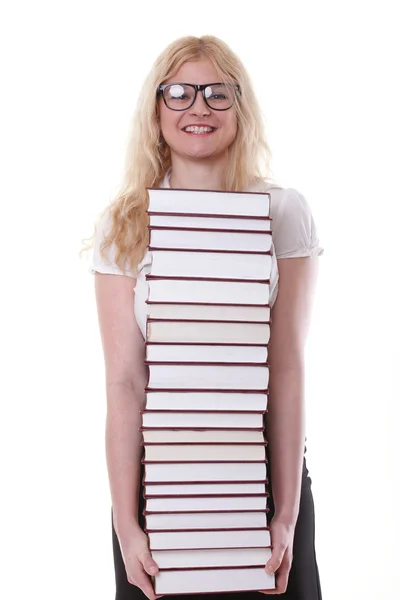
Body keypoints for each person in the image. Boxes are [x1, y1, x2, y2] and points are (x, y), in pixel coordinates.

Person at [87, 35, 324, 600]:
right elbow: (124, 383)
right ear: (156, 109)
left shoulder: (283, 212)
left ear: (240, 107)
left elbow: (286, 365)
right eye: (180, 92)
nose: (198, 107)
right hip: (157, 487)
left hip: (264, 480)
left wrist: (285, 514)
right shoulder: (125, 225)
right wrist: (126, 520)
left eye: (218, 93)